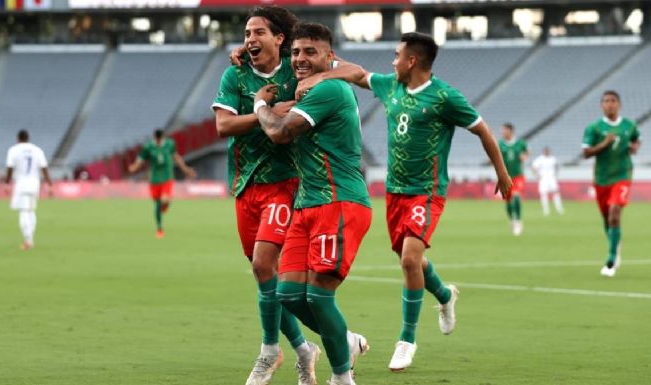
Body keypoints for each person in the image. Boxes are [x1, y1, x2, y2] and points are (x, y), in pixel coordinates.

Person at [294, 31, 512, 372]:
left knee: (410, 259)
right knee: (412, 260)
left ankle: (406, 341)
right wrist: (323, 71)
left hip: (427, 192)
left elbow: (482, 129)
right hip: (395, 192)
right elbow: (357, 73)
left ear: (412, 61)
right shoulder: (390, 86)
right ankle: (444, 294)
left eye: (397, 55)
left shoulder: (444, 97)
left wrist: (502, 173)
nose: (392, 61)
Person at [213, 8, 344, 385]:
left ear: (279, 39)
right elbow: (223, 125)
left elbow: (343, 68)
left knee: (262, 265)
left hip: (287, 183)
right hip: (245, 184)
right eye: (246, 33)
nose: (250, 39)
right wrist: (264, 111)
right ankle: (305, 349)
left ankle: (270, 351)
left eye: (258, 32)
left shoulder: (297, 66)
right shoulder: (235, 74)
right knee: (265, 277)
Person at [253, 22, 373, 385]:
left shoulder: (332, 89)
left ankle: (341, 378)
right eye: (296, 52)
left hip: (339, 202)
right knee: (288, 294)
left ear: (329, 57)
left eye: (310, 52)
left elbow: (278, 132)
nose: (300, 59)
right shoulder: (312, 82)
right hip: (307, 204)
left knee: (320, 299)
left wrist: (262, 104)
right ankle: (346, 341)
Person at [582, 90, 640, 278]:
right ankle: (615, 243)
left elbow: (636, 140)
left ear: (619, 104)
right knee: (608, 220)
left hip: (622, 175)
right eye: (606, 101)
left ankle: (611, 258)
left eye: (613, 101)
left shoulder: (629, 125)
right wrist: (604, 144)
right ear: (601, 106)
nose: (610, 104)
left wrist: (634, 148)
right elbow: (586, 153)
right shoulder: (594, 128)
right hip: (601, 179)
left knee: (615, 213)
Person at [128, 128, 196, 238]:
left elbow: (176, 157)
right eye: (157, 140)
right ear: (155, 138)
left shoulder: (170, 144)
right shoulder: (148, 147)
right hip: (154, 179)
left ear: (163, 137)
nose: (159, 142)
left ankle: (165, 206)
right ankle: (159, 228)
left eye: (160, 139)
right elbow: (140, 160)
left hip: (167, 177)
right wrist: (134, 168)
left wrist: (185, 169)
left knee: (164, 200)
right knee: (157, 205)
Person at [4, 130, 53, 250]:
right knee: (31, 210)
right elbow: (44, 168)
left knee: (23, 211)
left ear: (18, 139)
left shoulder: (13, 150)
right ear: (28, 138)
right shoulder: (37, 150)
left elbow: (10, 168)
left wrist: (7, 183)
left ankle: (28, 240)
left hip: (21, 183)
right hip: (34, 184)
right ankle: (30, 238)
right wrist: (50, 184)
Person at [498, 123, 528, 236]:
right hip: (505, 177)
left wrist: (524, 156)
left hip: (518, 176)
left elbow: (527, 151)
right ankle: (512, 220)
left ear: (510, 131)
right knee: (508, 201)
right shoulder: (500, 144)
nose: (502, 133)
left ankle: (518, 221)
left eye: (504, 130)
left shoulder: (520, 143)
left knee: (516, 196)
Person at [531, 147, 564, 216]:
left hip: (552, 178)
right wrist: (536, 175)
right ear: (544, 152)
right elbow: (533, 167)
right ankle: (546, 210)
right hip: (543, 178)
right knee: (544, 194)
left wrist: (556, 174)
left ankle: (559, 209)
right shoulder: (540, 159)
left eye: (548, 151)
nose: (547, 152)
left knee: (556, 193)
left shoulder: (553, 159)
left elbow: (557, 167)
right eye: (546, 151)